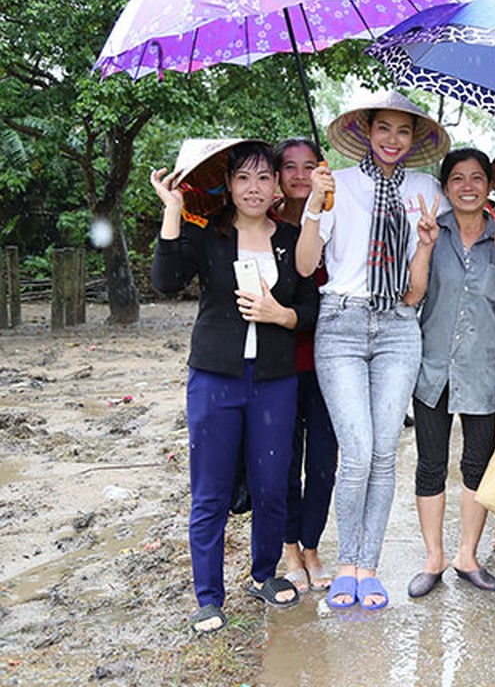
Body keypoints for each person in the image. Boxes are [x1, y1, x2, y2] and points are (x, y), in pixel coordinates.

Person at [151, 139, 318, 634]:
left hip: (274, 380)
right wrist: (173, 212)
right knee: (211, 489)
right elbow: (165, 281)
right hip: (215, 379)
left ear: (275, 187)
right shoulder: (209, 236)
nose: (254, 187)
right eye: (243, 178)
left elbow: (308, 309)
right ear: (228, 185)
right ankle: (208, 597)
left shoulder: (290, 239)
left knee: (272, 485)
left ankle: (263, 573)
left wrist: (280, 315)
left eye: (264, 177)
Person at [297, 93, 449, 610]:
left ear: (414, 140)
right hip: (341, 321)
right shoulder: (336, 182)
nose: (391, 140)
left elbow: (415, 292)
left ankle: (369, 567)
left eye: (403, 132)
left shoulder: (426, 189)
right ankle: (345, 565)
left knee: (385, 452)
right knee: (357, 452)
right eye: (382, 128)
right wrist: (316, 203)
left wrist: (425, 245)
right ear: (365, 132)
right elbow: (304, 264)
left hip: (399, 326)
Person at [406, 148, 495, 598]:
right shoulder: (433, 230)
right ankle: (433, 558)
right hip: (433, 369)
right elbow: (413, 296)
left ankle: (467, 556)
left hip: (484, 371)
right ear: (446, 186)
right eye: (458, 178)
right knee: (430, 466)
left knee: (477, 467)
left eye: (477, 178)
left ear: (490, 185)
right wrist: (424, 247)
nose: (468, 186)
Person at [270, 139, 336, 594]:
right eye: (289, 167)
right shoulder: (261, 226)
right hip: (279, 361)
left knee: (325, 461)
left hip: (330, 358)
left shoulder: (336, 220)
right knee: (285, 458)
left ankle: (312, 545)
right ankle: (289, 545)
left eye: (308, 167)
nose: (298, 176)